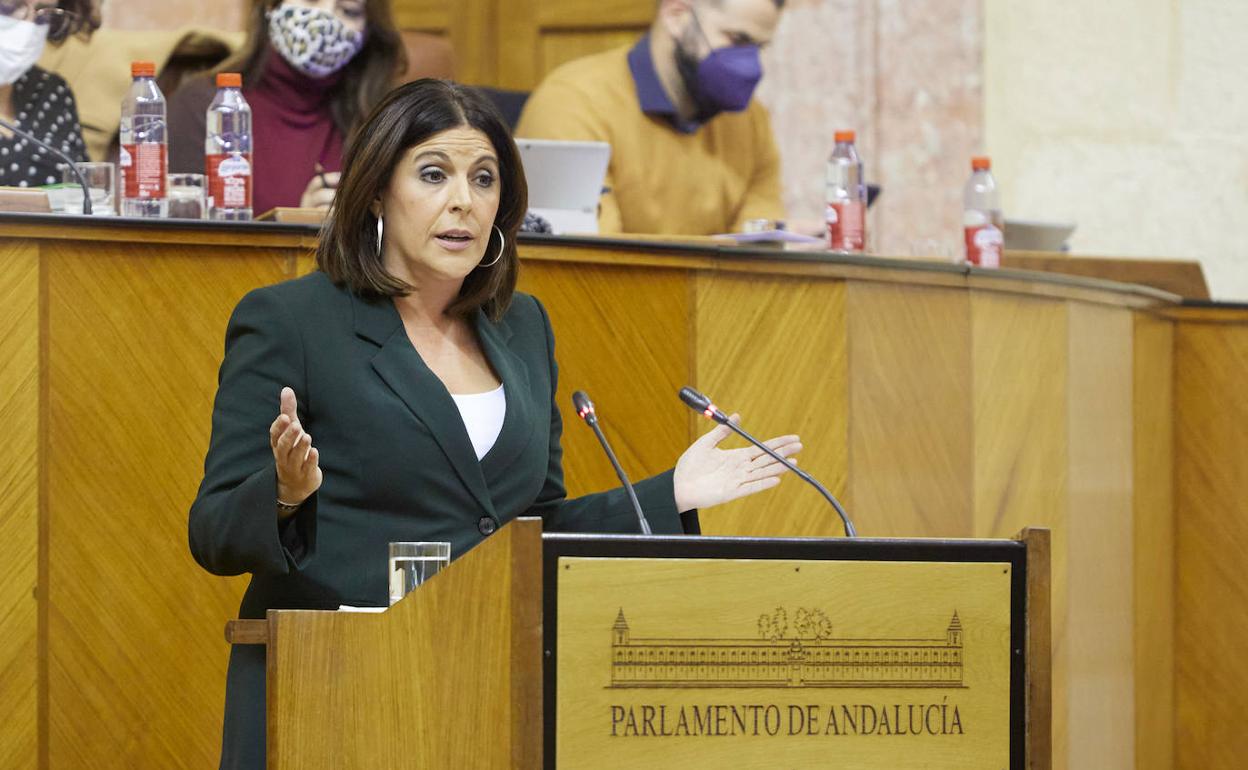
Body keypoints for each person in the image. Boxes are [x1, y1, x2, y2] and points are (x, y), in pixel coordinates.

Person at [188, 78, 802, 769]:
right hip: (336, 688)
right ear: (377, 191)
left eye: (485, 180)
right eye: (433, 174)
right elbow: (212, 531)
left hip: (487, 686)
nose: (463, 202)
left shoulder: (522, 329)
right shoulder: (292, 321)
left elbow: (530, 525)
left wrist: (671, 494)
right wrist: (284, 493)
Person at [516, 0, 786, 236]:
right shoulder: (573, 102)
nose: (749, 65)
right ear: (676, 15)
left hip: (715, 295)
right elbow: (592, 264)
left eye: (758, 48)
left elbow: (756, 254)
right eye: (737, 40)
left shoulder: (751, 119)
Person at [167, 0, 405, 215]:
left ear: (368, 34)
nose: (325, 20)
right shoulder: (203, 107)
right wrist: (294, 226)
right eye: (311, 0)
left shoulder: (383, 118)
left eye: (349, 11)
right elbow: (185, 249)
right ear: (271, 6)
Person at [0, 0, 98, 186]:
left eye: (41, 12)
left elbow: (88, 193)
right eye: (12, 6)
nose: (28, 25)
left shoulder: (51, 91)